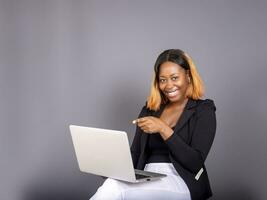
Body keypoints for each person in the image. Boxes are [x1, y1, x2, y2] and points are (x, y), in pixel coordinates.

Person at [90, 49, 216, 200]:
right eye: (163, 80)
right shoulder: (149, 110)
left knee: (116, 189)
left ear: (188, 76)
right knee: (112, 182)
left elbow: (195, 163)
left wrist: (163, 129)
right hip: (147, 175)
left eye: (174, 78)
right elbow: (135, 153)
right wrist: (111, 169)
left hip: (181, 179)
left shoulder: (203, 109)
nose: (168, 85)